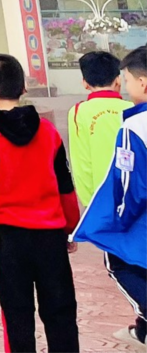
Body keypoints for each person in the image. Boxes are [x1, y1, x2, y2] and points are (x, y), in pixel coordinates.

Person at [0, 51, 79, 353]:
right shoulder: (48, 131)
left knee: (16, 315)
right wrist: (70, 227)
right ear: (24, 87)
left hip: (9, 239)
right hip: (51, 237)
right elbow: (65, 185)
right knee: (61, 311)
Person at [70, 44, 147, 346]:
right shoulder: (126, 113)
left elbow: (131, 185)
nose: (125, 86)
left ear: (142, 82)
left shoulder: (134, 125)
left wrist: (113, 217)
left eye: (128, 80)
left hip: (125, 207)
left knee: (119, 263)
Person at [67, 51, 126, 213]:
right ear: (118, 80)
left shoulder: (77, 112)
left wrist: (87, 199)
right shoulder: (132, 109)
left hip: (97, 198)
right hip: (131, 194)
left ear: (85, 83)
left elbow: (80, 159)